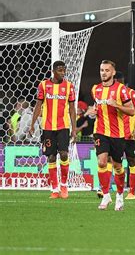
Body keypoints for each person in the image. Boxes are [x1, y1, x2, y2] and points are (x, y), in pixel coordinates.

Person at [91, 60, 135, 211]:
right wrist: (93, 113)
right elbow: (96, 108)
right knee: (102, 162)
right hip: (100, 130)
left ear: (113, 72)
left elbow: (131, 111)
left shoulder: (121, 90)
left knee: (117, 166)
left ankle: (120, 196)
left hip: (117, 133)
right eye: (102, 70)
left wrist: (116, 105)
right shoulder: (95, 89)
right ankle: (105, 195)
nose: (104, 73)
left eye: (107, 70)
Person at [29, 61, 76, 199]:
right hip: (48, 127)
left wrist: (74, 128)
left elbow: (72, 109)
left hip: (63, 126)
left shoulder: (69, 86)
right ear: (53, 71)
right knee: (51, 156)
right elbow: (38, 105)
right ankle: (54, 189)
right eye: (60, 70)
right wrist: (32, 124)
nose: (63, 73)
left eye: (64, 70)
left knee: (64, 154)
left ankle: (64, 185)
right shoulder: (43, 85)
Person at [114, 72, 135, 200]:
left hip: (130, 135)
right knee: (114, 161)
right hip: (116, 134)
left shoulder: (132, 93)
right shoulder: (111, 94)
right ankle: (105, 188)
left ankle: (132, 192)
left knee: (132, 160)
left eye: (119, 81)